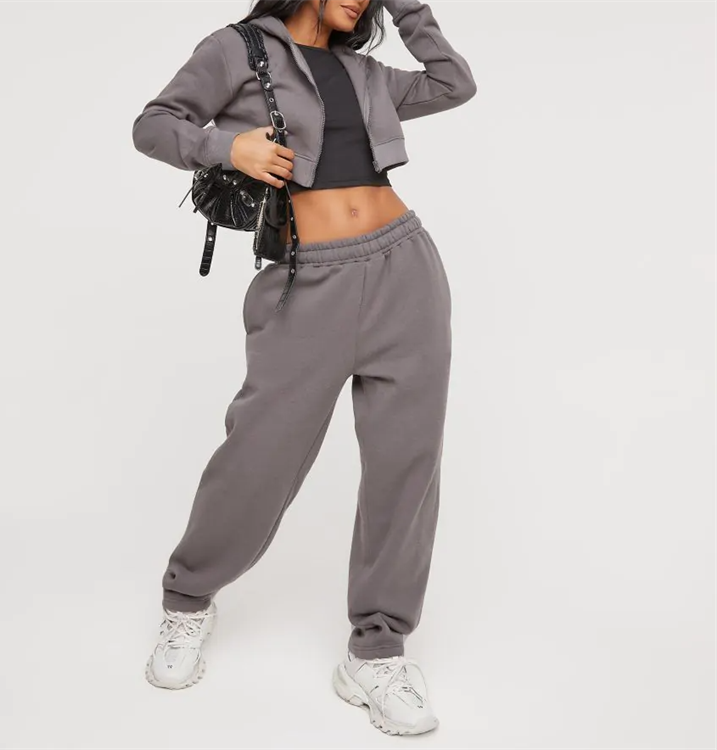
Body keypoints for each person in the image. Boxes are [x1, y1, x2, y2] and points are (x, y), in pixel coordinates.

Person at [131, 0, 476, 736]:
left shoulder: (367, 73)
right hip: (306, 281)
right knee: (260, 452)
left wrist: (410, 8)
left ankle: (377, 650)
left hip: (406, 269)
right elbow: (153, 124)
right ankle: (187, 600)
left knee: (406, 463)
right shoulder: (238, 48)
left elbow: (454, 83)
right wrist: (228, 147)